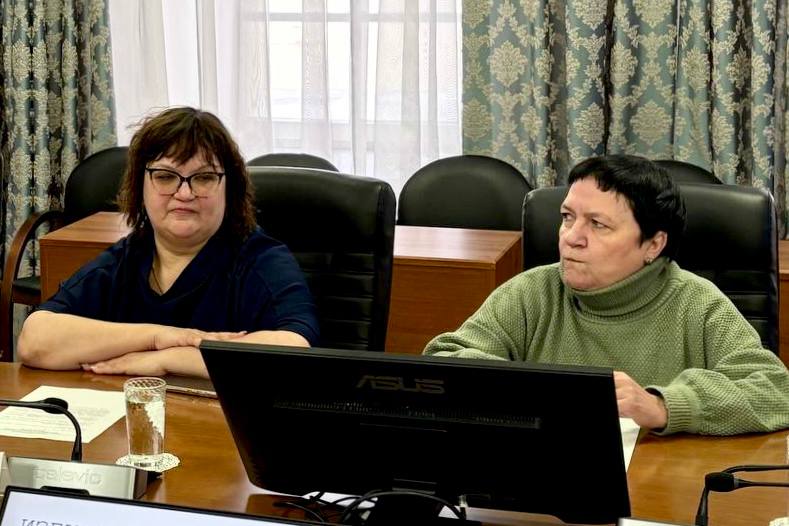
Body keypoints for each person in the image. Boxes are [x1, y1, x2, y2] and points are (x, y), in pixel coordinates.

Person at [423, 154, 789, 436]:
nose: (571, 237)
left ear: (653, 244)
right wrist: (531, 389)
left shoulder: (698, 304)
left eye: (597, 224)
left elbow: (775, 390)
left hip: (657, 485)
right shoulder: (532, 292)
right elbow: (442, 362)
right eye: (567, 217)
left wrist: (663, 406)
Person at [18, 107, 319, 378]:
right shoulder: (126, 258)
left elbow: (295, 350)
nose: (184, 194)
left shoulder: (261, 260)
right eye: (165, 176)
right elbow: (35, 341)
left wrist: (169, 359)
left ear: (230, 188)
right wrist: (157, 337)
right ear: (140, 186)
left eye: (203, 178)